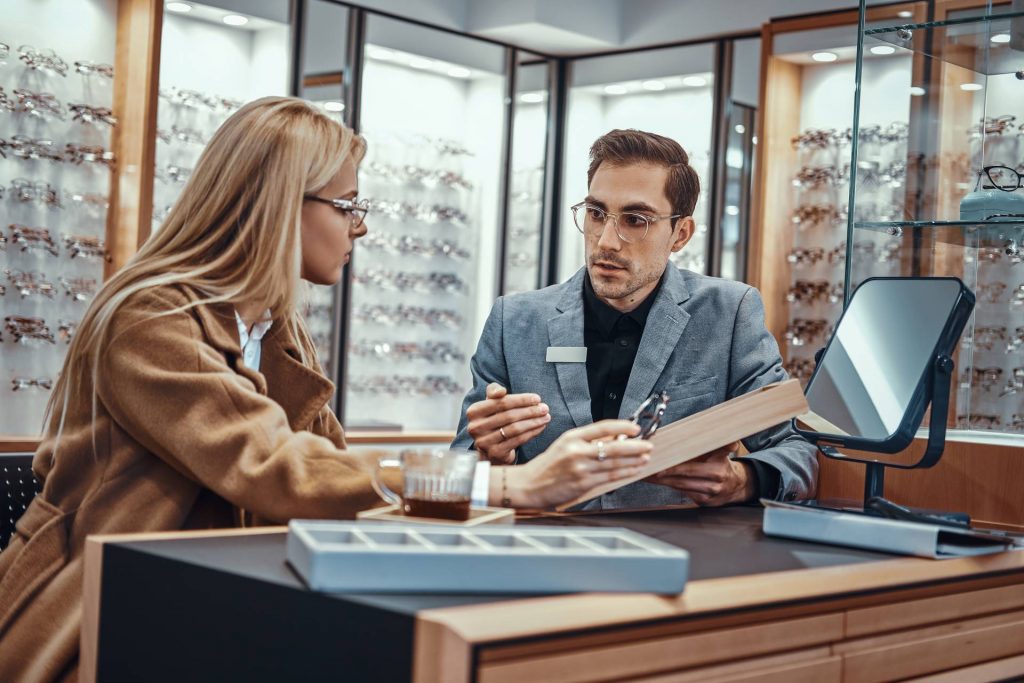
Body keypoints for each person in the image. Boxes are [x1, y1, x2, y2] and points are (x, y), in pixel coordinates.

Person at [0, 98, 652, 682]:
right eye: (348, 206)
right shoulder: (150, 319)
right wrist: (512, 486)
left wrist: (483, 476)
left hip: (225, 595)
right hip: (103, 613)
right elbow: (275, 468)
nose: (359, 228)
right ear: (280, 204)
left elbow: (331, 472)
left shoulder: (276, 326)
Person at [453, 128, 817, 509]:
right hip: (541, 547)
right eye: (596, 214)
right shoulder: (514, 320)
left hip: (675, 554)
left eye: (635, 220)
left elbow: (797, 452)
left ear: (680, 233)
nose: (606, 241)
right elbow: (459, 466)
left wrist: (741, 481)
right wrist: (492, 457)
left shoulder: (729, 313)